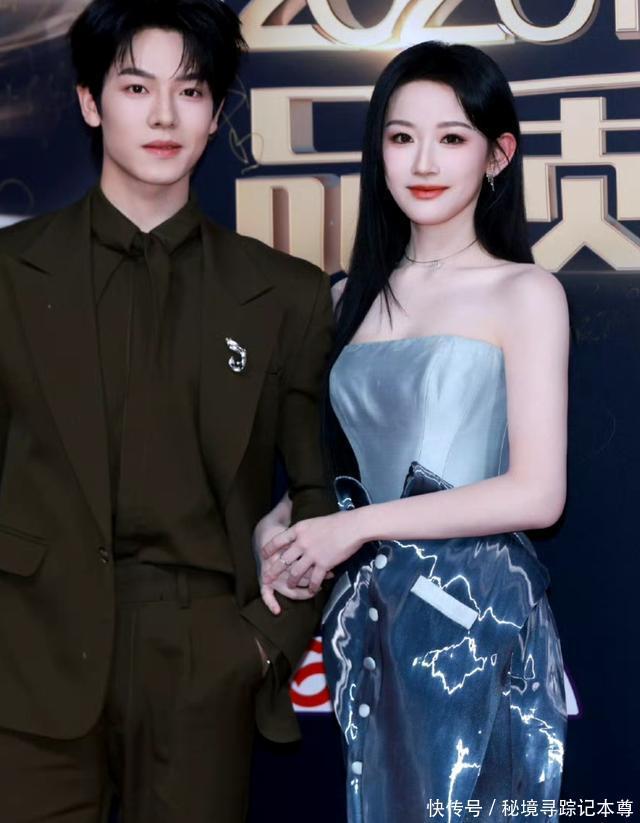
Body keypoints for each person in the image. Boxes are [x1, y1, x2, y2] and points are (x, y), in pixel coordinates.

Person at [0, 2, 334, 821]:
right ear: (89, 101)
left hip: (204, 657)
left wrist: (261, 643)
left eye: (189, 91)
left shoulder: (283, 293)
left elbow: (319, 492)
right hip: (31, 651)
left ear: (215, 114)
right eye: (135, 86)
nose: (162, 115)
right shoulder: (10, 272)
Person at [259, 42, 569, 822]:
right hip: (372, 616)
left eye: (452, 137)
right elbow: (337, 471)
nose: (423, 161)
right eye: (401, 137)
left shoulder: (525, 292)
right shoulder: (345, 299)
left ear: (498, 154)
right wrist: (286, 527)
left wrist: (355, 527)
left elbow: (538, 494)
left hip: (476, 615)